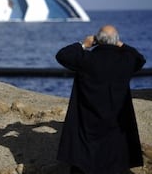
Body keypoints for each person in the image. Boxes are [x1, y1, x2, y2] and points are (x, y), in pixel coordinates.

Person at [55, 25, 145, 174]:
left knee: (84, 164)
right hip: (115, 127)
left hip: (87, 126)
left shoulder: (86, 59)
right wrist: (120, 44)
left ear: (97, 40)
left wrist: (84, 44)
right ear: (116, 41)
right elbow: (139, 59)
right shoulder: (125, 61)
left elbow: (62, 55)